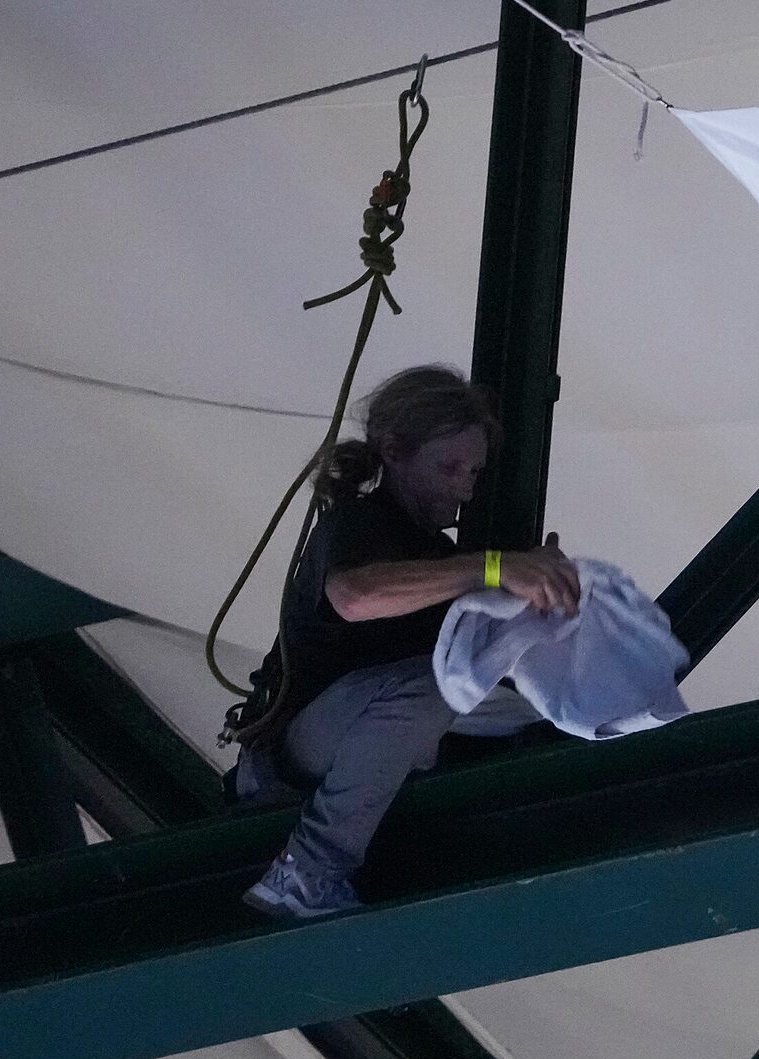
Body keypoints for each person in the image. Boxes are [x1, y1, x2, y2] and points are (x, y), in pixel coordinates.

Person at [229, 365, 578, 921]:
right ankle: (308, 872)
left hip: (365, 740)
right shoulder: (356, 521)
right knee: (435, 687)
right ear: (393, 451)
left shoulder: (442, 558)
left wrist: (545, 608)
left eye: (474, 471)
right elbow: (356, 597)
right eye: (449, 467)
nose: (465, 485)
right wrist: (494, 568)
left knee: (547, 706)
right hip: (296, 753)